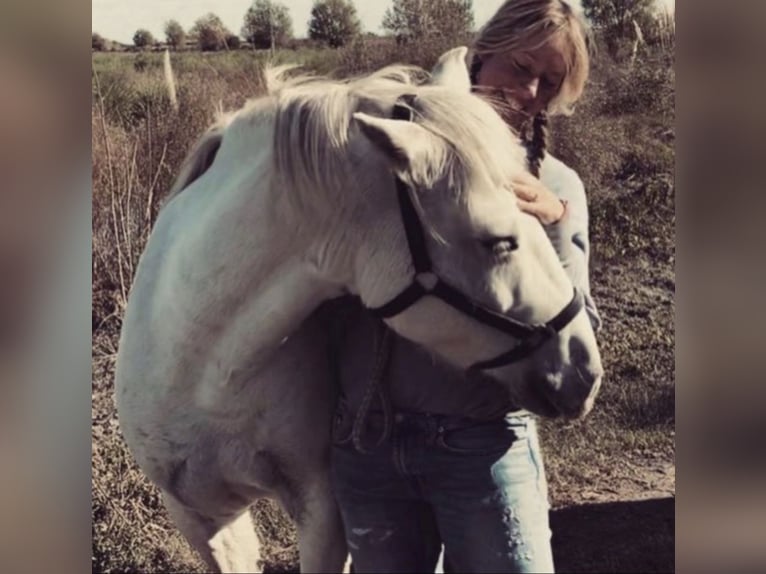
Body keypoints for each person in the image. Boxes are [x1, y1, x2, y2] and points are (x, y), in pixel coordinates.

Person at [329, 1, 601, 572]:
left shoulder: (554, 184)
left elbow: (577, 330)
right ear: (481, 55)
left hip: (481, 443)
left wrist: (555, 223)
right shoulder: (394, 157)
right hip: (368, 439)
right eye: (520, 68)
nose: (530, 92)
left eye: (549, 82)